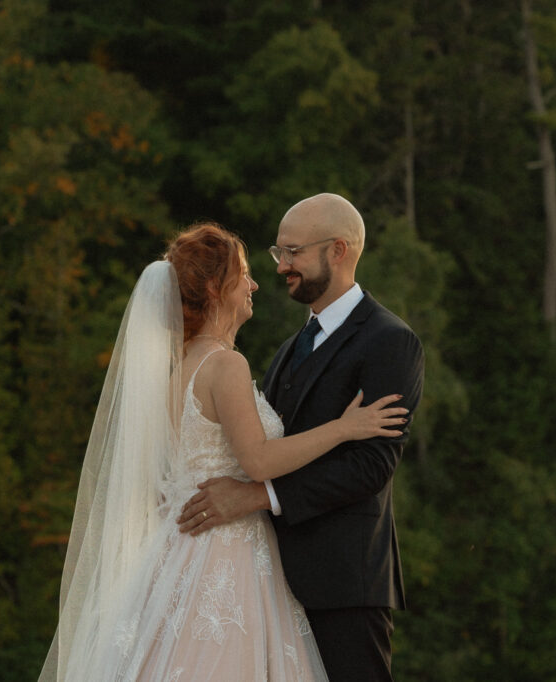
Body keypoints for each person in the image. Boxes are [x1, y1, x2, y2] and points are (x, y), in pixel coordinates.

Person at [38, 222, 409, 682]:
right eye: (245, 273)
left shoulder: (174, 370)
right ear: (215, 287)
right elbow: (257, 462)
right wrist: (344, 427)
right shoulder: (225, 364)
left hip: (175, 555)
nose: (255, 283)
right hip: (226, 555)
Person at [177, 194, 425, 681]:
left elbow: (371, 466)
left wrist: (257, 496)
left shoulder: (390, 341)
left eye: (293, 253)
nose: (281, 267)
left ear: (338, 250)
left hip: (344, 583)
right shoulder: (288, 350)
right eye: (279, 253)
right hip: (262, 581)